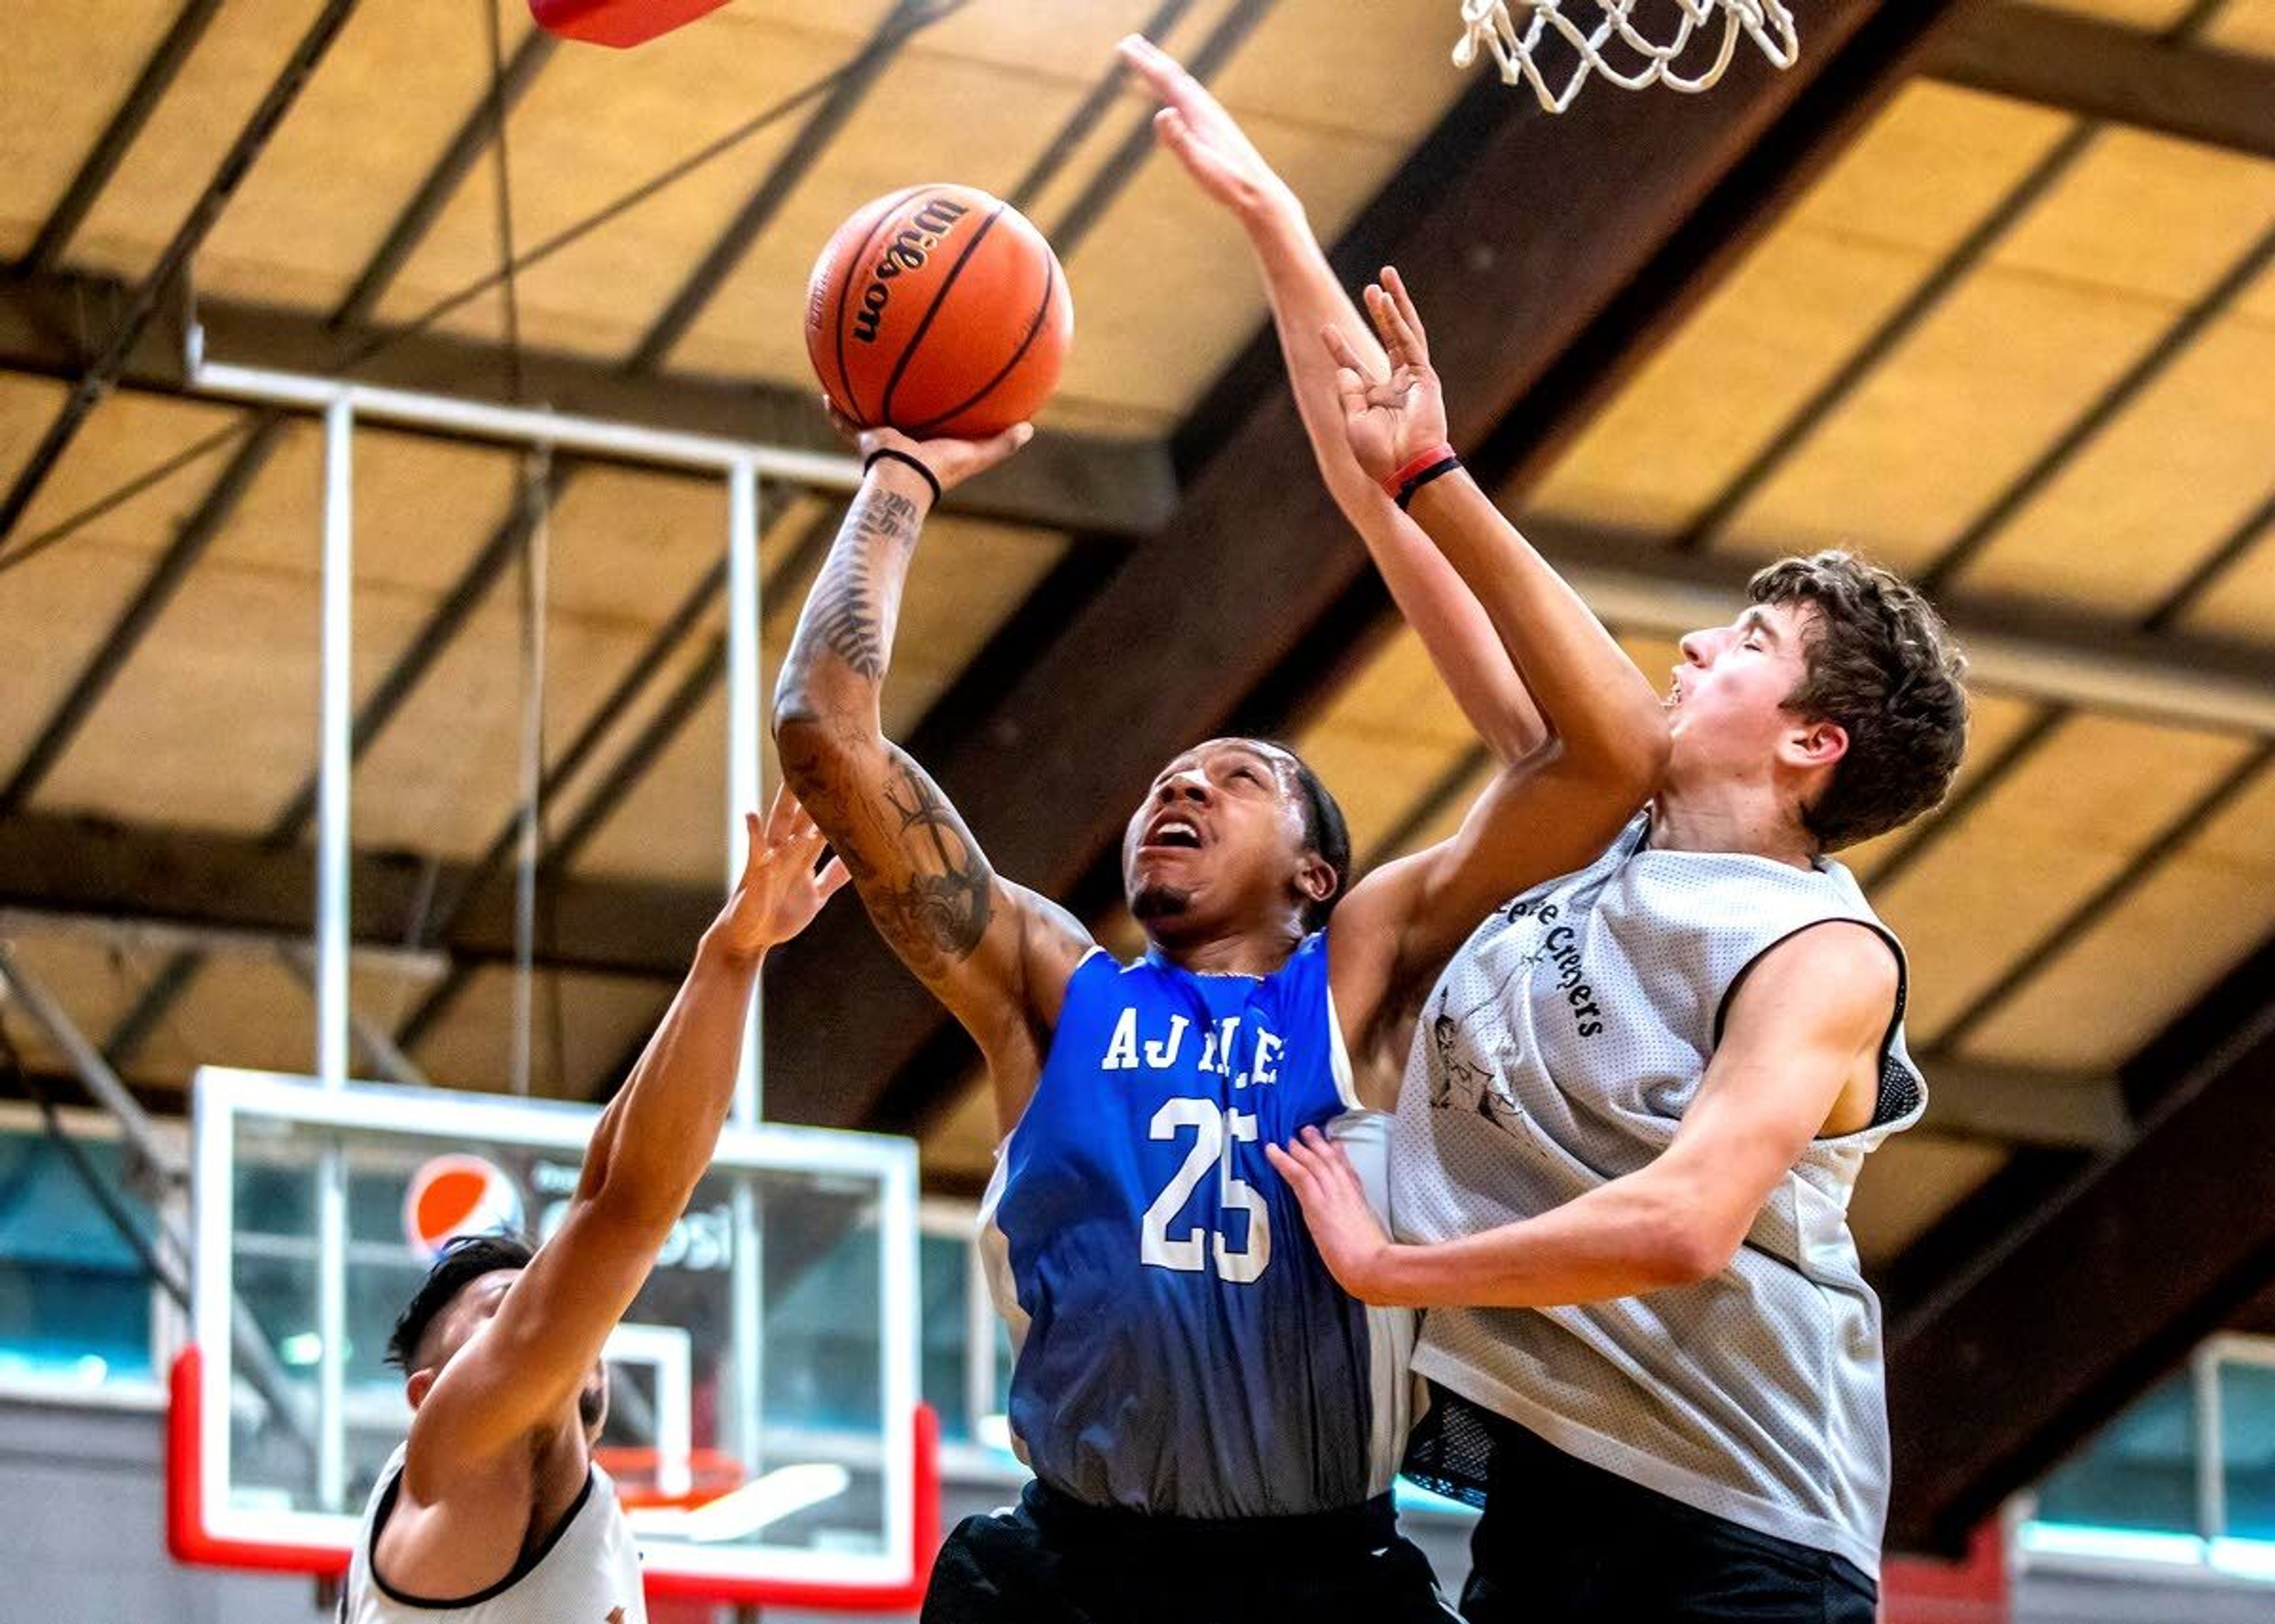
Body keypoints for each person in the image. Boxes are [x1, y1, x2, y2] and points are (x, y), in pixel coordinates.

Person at [1122, 36, 1972, 1623]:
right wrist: (1271, 223)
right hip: (1543, 1492)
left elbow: (1683, 1216)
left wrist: (1390, 1265)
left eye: (1743, 644)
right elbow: (1394, 498)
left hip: (1741, 1525)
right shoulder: (1585, 817)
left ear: (1811, 740)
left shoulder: (1822, 952)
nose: (1696, 647)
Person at [770, 236, 1669, 1621]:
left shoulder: (1361, 978)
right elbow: (823, 735)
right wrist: (902, 471)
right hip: (1069, 1569)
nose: (1182, 784)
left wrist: (1429, 480)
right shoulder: (1051, 987)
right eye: (1164, 780)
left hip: (1312, 1581)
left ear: (1318, 874)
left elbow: (1613, 756)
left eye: (1239, 776)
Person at [341, 789, 847, 1624]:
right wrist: (731, 954)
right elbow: (627, 1206)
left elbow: (601, 1181)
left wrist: (727, 953)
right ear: (429, 1392)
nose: (544, 1312)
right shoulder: (456, 1453)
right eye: (504, 1310)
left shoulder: (560, 1504)